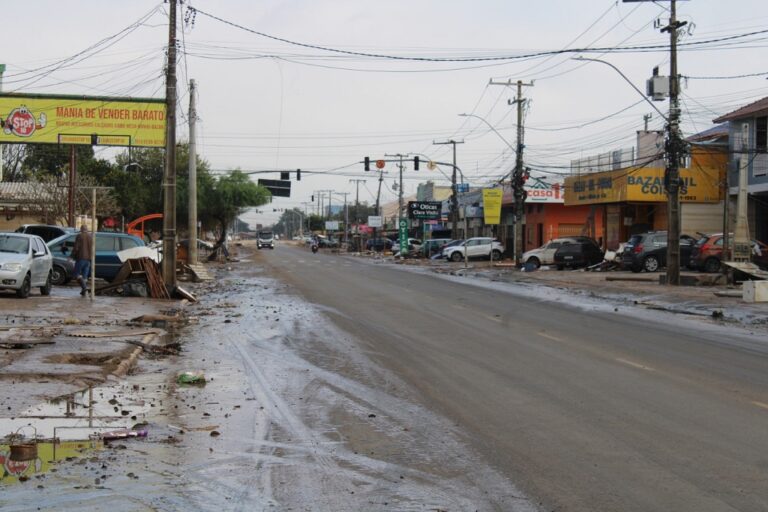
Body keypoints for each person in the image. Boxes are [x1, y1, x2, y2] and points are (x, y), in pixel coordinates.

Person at [72, 224, 92, 296]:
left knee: (76, 274)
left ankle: (84, 288)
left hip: (81, 258)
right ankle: (83, 291)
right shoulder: (91, 236)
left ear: (81, 229)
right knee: (85, 276)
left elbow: (76, 248)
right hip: (89, 259)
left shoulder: (79, 236)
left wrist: (71, 256)